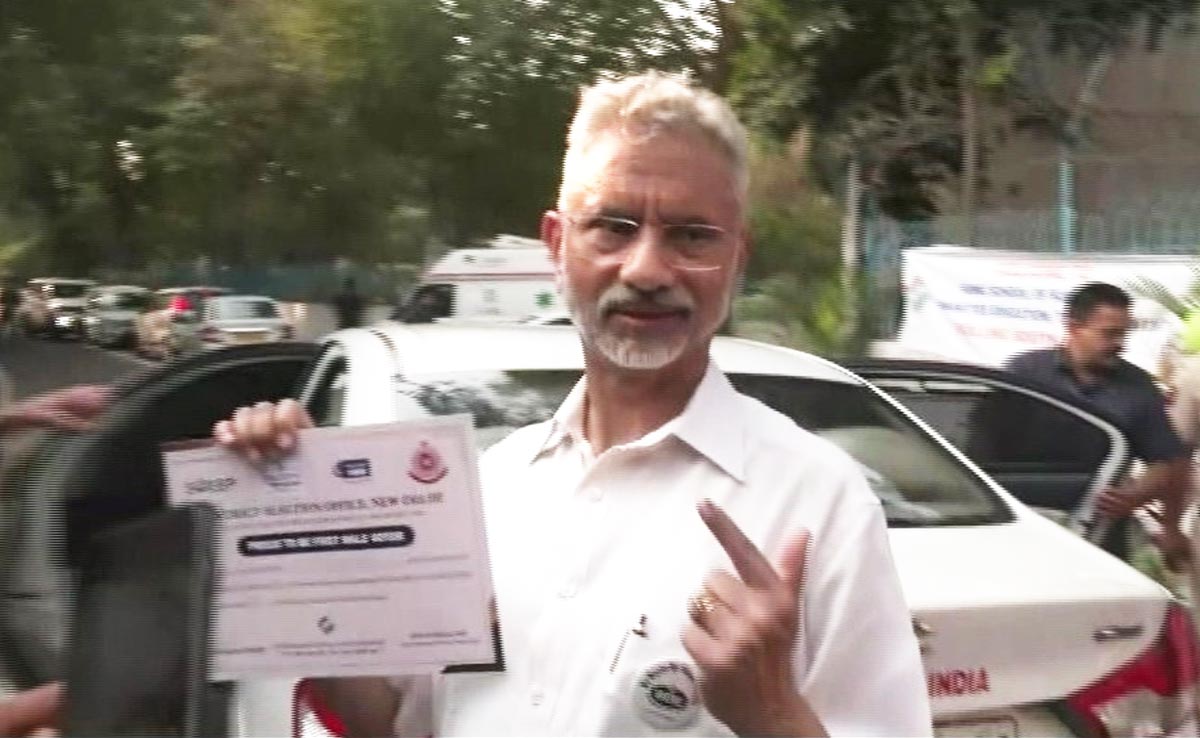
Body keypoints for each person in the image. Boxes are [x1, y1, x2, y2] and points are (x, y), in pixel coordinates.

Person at [214, 71, 931, 736]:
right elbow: (395, 719)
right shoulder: (492, 488)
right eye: (613, 227)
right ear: (558, 246)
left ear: (737, 259)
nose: (647, 269)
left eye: (690, 235)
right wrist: (298, 528)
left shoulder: (818, 502)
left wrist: (775, 717)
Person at [1005, 282, 1187, 560]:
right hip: (1023, 520)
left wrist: (1135, 496)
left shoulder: (1138, 386)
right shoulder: (1024, 373)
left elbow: (1165, 462)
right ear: (1074, 327)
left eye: (1124, 333)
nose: (1119, 344)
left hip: (1100, 533)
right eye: (1110, 334)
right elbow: (983, 444)